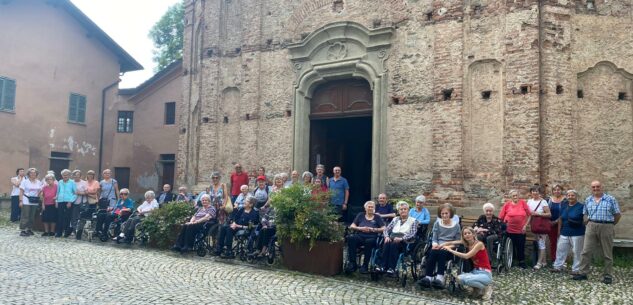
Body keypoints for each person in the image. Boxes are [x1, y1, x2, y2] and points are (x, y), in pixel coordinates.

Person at [573, 181, 622, 284]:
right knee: (586, 251)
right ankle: (583, 273)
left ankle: (607, 275)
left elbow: (617, 214)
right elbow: (585, 213)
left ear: (601, 187)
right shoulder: (588, 199)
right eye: (593, 187)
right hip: (591, 225)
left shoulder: (610, 199)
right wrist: (587, 223)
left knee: (607, 253)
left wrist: (611, 224)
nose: (596, 188)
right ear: (591, 188)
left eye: (598, 186)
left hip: (606, 225)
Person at [441, 227, 494, 300]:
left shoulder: (479, 244)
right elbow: (452, 242)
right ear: (463, 236)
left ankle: (486, 288)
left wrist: (450, 250)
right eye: (465, 234)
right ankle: (477, 289)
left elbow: (466, 256)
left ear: (473, 234)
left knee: (467, 280)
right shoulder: (467, 243)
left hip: (485, 273)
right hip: (475, 272)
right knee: (459, 279)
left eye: (469, 233)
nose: (467, 235)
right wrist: (441, 245)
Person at [418, 203, 461, 288]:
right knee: (433, 252)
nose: (444, 215)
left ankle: (440, 277)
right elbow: (434, 238)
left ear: (450, 214)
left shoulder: (456, 225)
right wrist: (435, 244)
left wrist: (448, 246)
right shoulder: (437, 223)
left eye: (446, 213)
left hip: (449, 247)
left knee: (442, 252)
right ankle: (428, 277)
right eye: (442, 214)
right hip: (438, 245)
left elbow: (457, 241)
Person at [378, 201, 419, 276]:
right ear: (398, 211)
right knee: (386, 243)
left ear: (408, 210)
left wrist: (402, 238)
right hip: (392, 238)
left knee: (394, 244)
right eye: (401, 209)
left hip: (404, 242)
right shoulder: (395, 219)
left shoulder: (413, 221)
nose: (403, 211)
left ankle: (391, 268)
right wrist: (386, 236)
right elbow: (386, 229)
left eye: (405, 209)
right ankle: (382, 266)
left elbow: (412, 233)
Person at [346, 201, 385, 274]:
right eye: (369, 207)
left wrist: (373, 229)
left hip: (372, 237)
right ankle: (353, 263)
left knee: (368, 242)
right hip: (360, 235)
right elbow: (352, 226)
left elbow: (384, 228)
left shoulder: (377, 217)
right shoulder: (360, 215)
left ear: (374, 208)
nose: (370, 208)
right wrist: (360, 228)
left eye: (372, 207)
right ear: (365, 208)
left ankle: (365, 265)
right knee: (351, 238)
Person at [551, 190, 585, 274]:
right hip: (564, 231)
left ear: (576, 196)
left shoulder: (581, 206)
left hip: (577, 233)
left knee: (577, 251)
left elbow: (585, 219)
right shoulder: (564, 206)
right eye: (568, 195)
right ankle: (558, 266)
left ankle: (576, 269)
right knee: (560, 250)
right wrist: (559, 230)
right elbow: (561, 219)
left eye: (572, 195)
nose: (570, 197)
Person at [498, 189, 530, 269]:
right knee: (510, 246)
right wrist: (502, 226)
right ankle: (510, 261)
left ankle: (521, 261)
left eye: (516, 195)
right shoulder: (507, 204)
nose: (515, 197)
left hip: (521, 229)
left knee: (521, 246)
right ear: (510, 197)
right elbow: (500, 217)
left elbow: (529, 215)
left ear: (518, 196)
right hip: (509, 229)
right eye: (513, 196)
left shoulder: (523, 203)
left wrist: (525, 225)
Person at [528, 185, 551, 270]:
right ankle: (544, 262)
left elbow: (549, 214)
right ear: (531, 192)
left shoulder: (543, 202)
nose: (535, 192)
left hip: (541, 225)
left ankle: (539, 263)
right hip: (534, 225)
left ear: (539, 192)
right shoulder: (529, 201)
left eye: (537, 191)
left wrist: (538, 214)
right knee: (539, 243)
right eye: (533, 191)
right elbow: (529, 214)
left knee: (541, 244)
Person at [18, 168, 44, 237]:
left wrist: (39, 197)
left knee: (32, 216)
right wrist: (21, 201)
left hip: (34, 201)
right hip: (26, 200)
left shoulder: (38, 182)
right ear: (28, 174)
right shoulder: (25, 181)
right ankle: (22, 230)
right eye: (31, 173)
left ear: (36, 174)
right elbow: (21, 191)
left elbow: (40, 190)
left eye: (34, 173)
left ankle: (29, 229)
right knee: (25, 215)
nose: (33, 174)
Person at [76, 170, 100, 240]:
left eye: (92, 174)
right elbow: (81, 191)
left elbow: (95, 192)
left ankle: (91, 233)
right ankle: (79, 234)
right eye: (89, 174)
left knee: (92, 218)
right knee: (82, 217)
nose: (90, 175)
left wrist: (86, 193)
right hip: (84, 202)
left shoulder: (96, 182)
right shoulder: (84, 182)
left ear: (93, 175)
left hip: (93, 203)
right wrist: (89, 193)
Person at [55, 169, 77, 237]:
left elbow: (75, 193)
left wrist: (70, 201)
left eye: (67, 175)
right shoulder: (60, 182)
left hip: (69, 201)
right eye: (64, 175)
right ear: (62, 175)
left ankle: (66, 232)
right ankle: (59, 232)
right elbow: (57, 192)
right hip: (60, 201)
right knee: (60, 217)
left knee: (67, 217)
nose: (65, 176)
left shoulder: (72, 182)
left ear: (69, 175)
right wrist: (56, 201)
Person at [547, 184, 566, 263]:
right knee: (553, 242)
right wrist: (549, 221)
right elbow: (546, 211)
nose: (556, 191)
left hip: (563, 224)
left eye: (558, 189)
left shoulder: (565, 200)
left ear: (561, 190)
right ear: (552, 191)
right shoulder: (549, 200)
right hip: (551, 224)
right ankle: (554, 259)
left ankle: (562, 260)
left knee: (563, 243)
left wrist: (556, 221)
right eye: (555, 190)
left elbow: (565, 212)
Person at [70, 170, 87, 235]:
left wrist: (79, 193)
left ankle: (78, 230)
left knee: (78, 217)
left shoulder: (84, 183)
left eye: (78, 175)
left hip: (80, 202)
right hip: (71, 201)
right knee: (72, 216)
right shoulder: (71, 182)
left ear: (80, 176)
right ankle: (72, 230)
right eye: (75, 175)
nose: (76, 176)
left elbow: (86, 192)